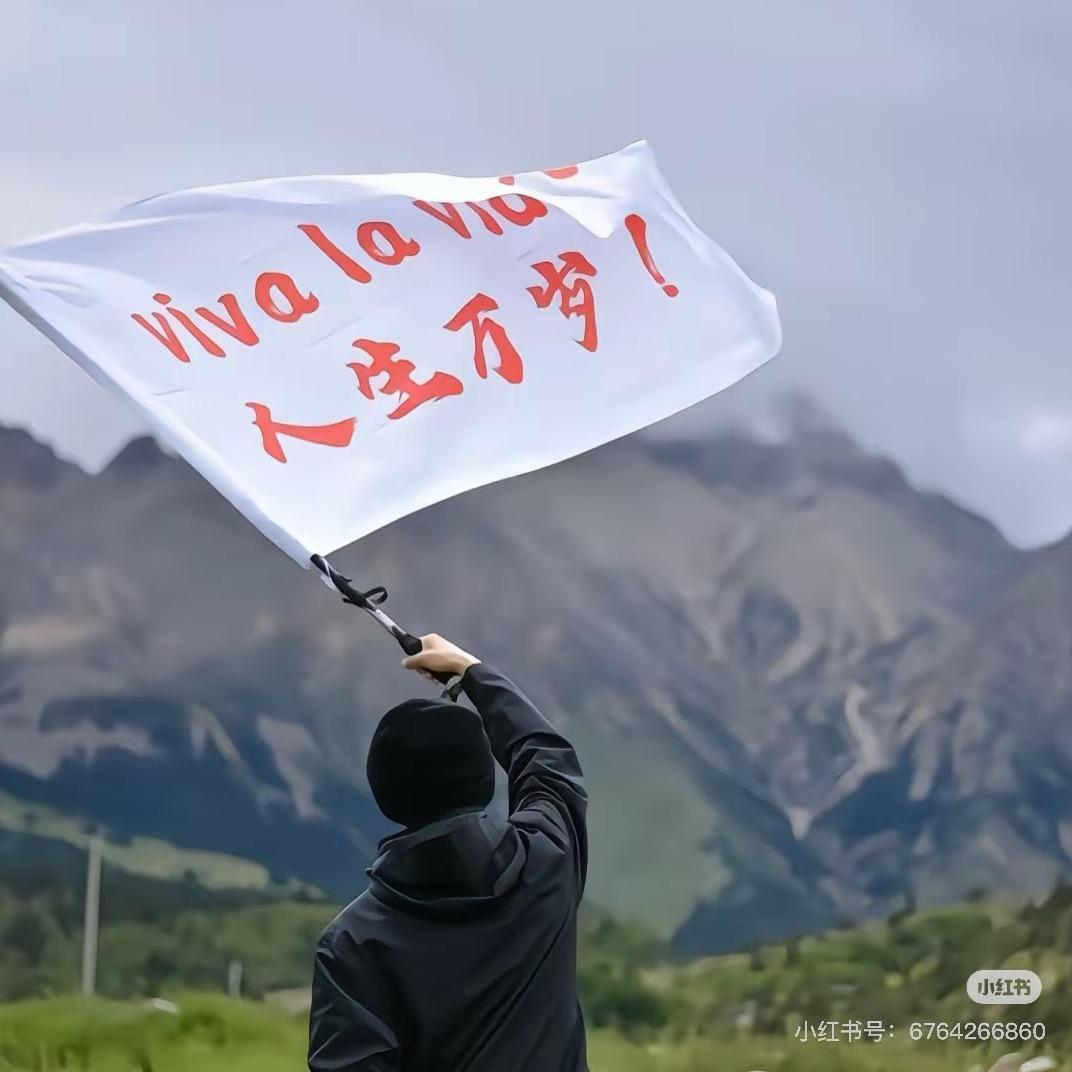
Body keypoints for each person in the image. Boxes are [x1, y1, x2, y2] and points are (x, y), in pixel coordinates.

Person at [308, 633, 588, 1072]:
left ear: (386, 795)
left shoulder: (353, 944)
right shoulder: (548, 859)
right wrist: (471, 671)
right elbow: (548, 760)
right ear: (486, 779)